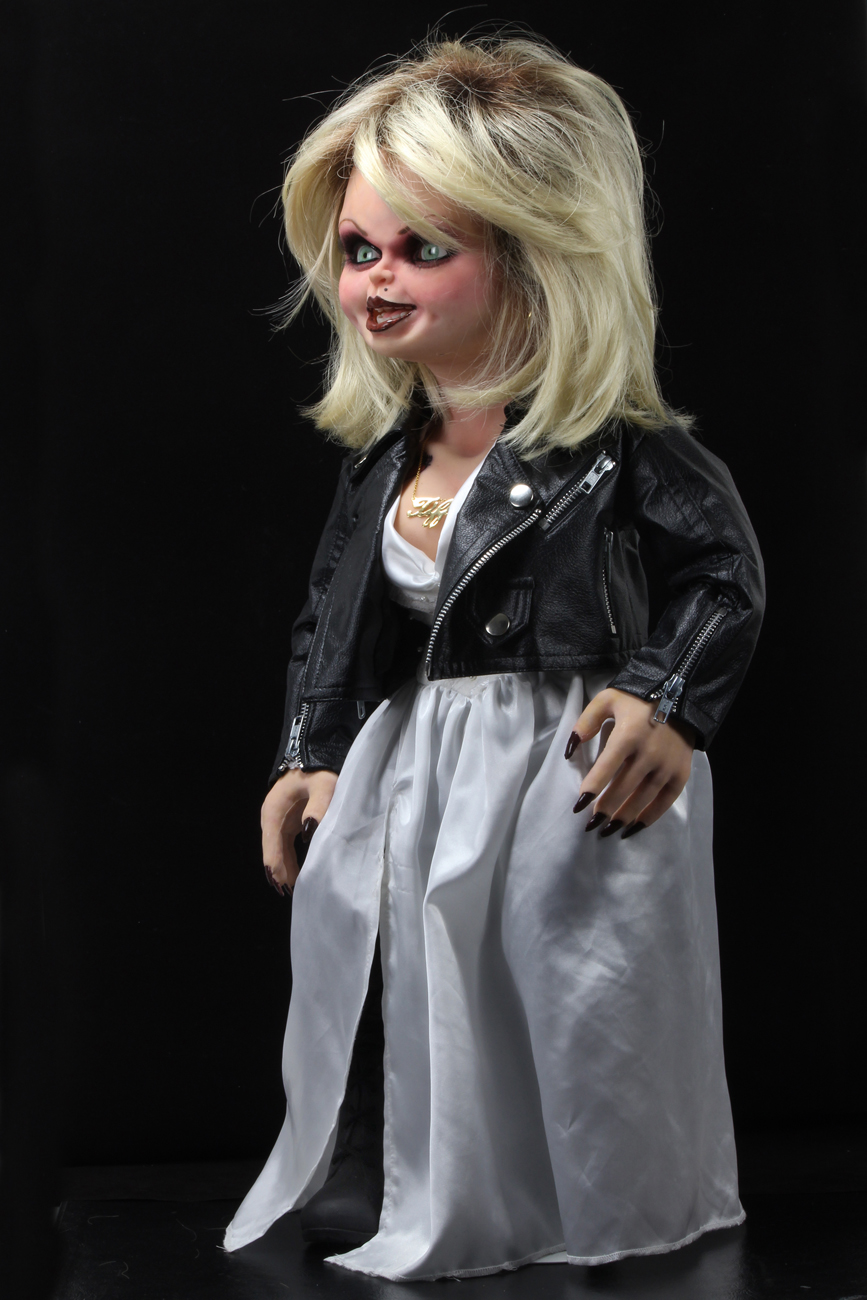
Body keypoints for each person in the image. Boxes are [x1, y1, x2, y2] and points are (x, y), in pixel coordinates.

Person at [223, 35, 764, 1281]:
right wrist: (310, 750)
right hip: (425, 766)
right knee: (426, 982)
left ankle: (622, 1200)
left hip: (574, 759)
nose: (377, 280)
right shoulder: (385, 465)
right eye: (360, 249)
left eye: (423, 248)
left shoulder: (616, 448)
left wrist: (667, 698)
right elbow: (335, 625)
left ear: (532, 254)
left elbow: (724, 574)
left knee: (584, 983)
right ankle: (438, 1182)